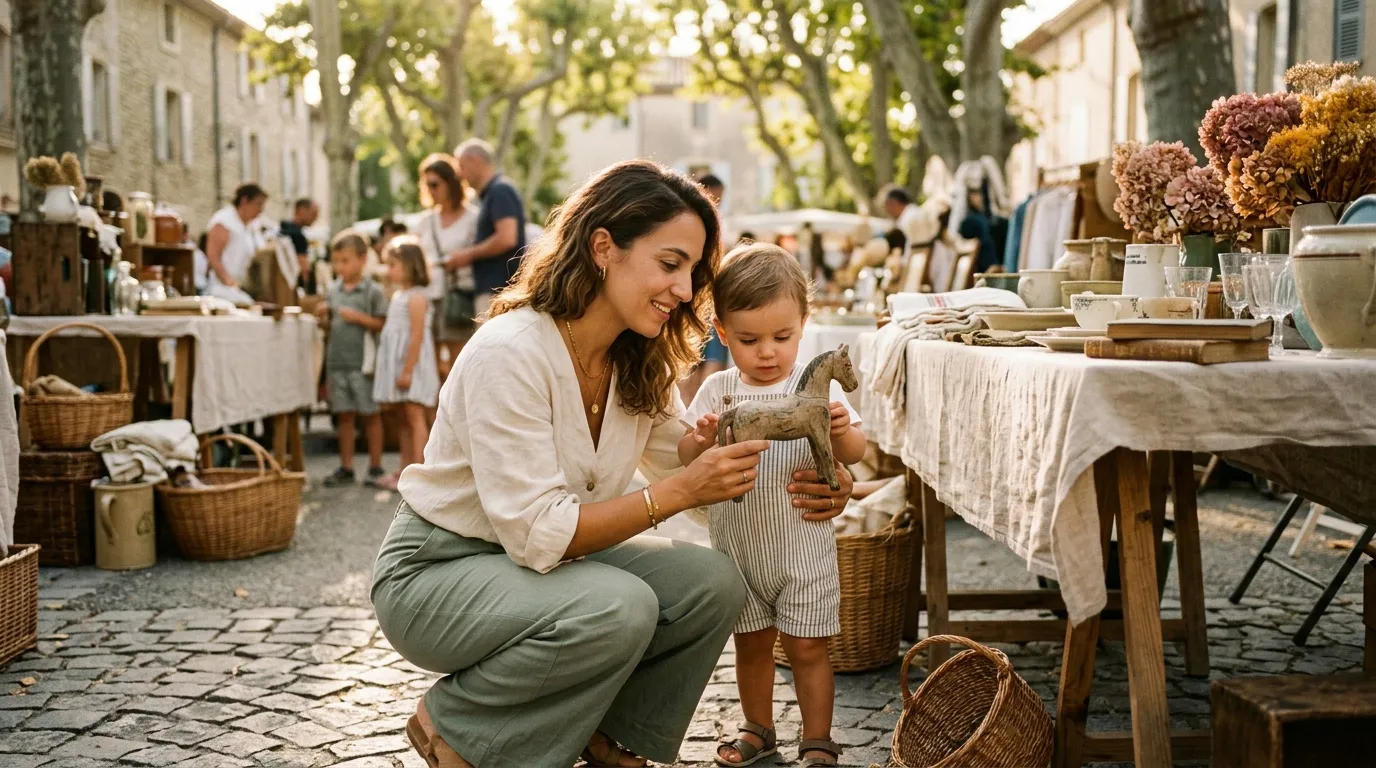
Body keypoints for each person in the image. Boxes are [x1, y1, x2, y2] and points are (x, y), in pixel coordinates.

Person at [370, 160, 854, 768]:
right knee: (617, 604)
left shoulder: (635, 359)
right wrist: (677, 493)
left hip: (536, 567)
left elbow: (699, 463)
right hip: (438, 571)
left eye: (693, 272)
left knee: (715, 586)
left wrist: (816, 483)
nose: (684, 291)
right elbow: (540, 531)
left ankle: (612, 738)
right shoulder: (511, 352)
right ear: (604, 247)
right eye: (670, 264)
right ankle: (456, 723)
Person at [679, 243, 866, 768]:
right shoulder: (719, 390)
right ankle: (758, 728)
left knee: (808, 648)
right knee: (752, 645)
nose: (767, 352)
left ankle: (818, 738)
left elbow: (855, 454)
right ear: (721, 332)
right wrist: (700, 438)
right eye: (748, 339)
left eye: (781, 337)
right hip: (739, 551)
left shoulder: (815, 391)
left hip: (801, 545)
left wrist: (842, 429)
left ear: (804, 324)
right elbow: (684, 454)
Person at [318, 232, 389, 488]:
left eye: (345, 260)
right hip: (337, 363)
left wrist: (358, 317)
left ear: (362, 259)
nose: (340, 267)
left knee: (370, 415)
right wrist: (323, 317)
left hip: (364, 364)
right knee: (344, 416)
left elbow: (382, 323)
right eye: (336, 261)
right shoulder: (333, 291)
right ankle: (346, 467)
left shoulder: (372, 291)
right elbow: (328, 326)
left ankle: (375, 465)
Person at [371, 237, 440, 491]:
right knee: (403, 418)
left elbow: (417, 336)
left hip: (412, 366)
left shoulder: (417, 298)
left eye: (393, 265)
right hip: (400, 365)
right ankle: (404, 469)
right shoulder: (400, 294)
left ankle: (420, 473)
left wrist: (408, 370)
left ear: (410, 266)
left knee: (414, 416)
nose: (388, 270)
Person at [415, 153, 481, 380]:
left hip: (457, 295)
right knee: (429, 363)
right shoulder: (425, 221)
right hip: (428, 297)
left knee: (458, 362)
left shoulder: (473, 218)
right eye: (426, 185)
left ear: (451, 183)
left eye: (435, 184)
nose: (430, 190)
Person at [445, 139, 526, 319]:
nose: (460, 174)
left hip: (500, 291)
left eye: (461, 166)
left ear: (475, 161)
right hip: (496, 291)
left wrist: (467, 255)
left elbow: (507, 238)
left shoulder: (500, 190)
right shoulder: (492, 193)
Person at [680, 173, 730, 403]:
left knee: (713, 356)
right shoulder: (688, 223)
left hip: (711, 299)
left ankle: (702, 406)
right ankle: (692, 411)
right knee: (689, 360)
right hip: (694, 298)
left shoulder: (718, 223)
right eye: (715, 196)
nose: (717, 202)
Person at [204, 183, 268, 302]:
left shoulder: (253, 227)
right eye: (258, 204)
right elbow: (213, 256)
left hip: (243, 288)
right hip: (222, 288)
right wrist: (228, 281)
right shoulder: (224, 221)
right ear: (244, 201)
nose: (261, 209)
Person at [881, 186, 940, 253]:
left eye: (886, 205)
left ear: (893, 203)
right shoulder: (913, 214)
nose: (886, 210)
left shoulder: (909, 218)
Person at [280, 198, 321, 293]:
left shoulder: (282, 229)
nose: (316, 218)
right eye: (314, 213)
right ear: (302, 210)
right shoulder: (297, 235)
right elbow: (303, 267)